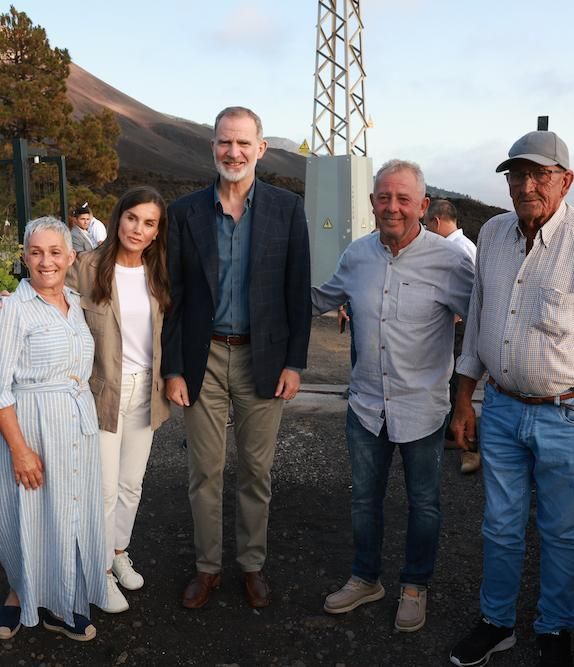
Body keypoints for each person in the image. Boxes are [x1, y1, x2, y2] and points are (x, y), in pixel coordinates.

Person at [448, 131, 574, 667]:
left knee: (560, 529)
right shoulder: (491, 234)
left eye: (539, 175)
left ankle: (555, 627)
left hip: (568, 414)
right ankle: (497, 623)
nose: (527, 185)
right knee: (500, 524)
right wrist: (464, 399)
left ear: (565, 181)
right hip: (503, 407)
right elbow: (480, 318)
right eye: (517, 175)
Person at [0, 187, 172, 615]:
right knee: (103, 490)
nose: (138, 229)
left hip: (147, 390)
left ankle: (118, 553)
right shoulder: (86, 267)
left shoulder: (158, 272)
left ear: (157, 231)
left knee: (131, 484)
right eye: (131, 218)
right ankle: (99, 573)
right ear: (118, 218)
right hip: (100, 394)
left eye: (149, 223)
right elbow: (41, 285)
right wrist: (1, 299)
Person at [312, 160, 474, 633]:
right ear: (371, 204)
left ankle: (414, 585)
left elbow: (482, 323)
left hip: (423, 406)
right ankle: (366, 578)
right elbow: (323, 298)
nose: (393, 207)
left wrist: (469, 395)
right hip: (365, 405)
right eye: (384, 198)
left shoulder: (450, 261)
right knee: (365, 499)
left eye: (403, 199)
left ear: (423, 206)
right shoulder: (357, 255)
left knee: (424, 503)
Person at [162, 106, 311, 610]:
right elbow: (174, 296)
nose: (234, 152)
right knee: (204, 471)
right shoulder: (184, 212)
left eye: (244, 143)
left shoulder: (287, 209)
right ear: (213, 148)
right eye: (225, 142)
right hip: (203, 360)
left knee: (256, 471)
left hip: (263, 362)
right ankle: (208, 568)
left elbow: (296, 292)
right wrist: (174, 367)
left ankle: (251, 564)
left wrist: (295, 362)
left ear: (261, 149)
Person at [0, 216, 108, 643]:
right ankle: (22, 593)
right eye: (36, 252)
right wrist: (20, 449)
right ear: (24, 257)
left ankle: (62, 601)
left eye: (55, 252)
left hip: (75, 425)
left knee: (69, 511)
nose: (46, 261)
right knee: (27, 514)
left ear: (71, 257)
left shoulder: (75, 301)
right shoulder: (10, 309)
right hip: (31, 427)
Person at [424, 199, 480, 475]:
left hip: (463, 329)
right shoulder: (465, 244)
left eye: (426, 225)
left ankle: (470, 448)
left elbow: (473, 295)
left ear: (435, 221)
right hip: (461, 326)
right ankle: (451, 434)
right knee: (452, 384)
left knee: (460, 386)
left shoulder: (456, 250)